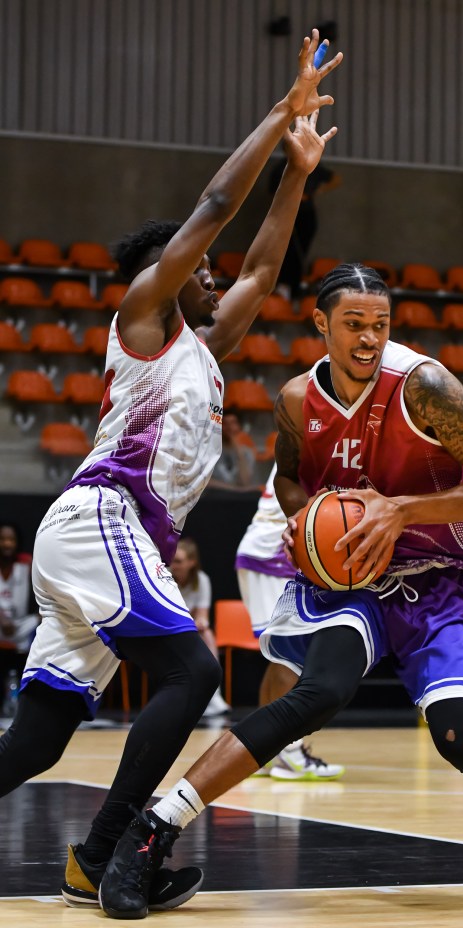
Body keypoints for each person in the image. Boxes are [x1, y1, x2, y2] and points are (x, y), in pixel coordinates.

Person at [100, 265, 463, 919]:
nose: (370, 338)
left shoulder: (424, 386)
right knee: (316, 695)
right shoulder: (297, 400)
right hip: (352, 584)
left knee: (462, 737)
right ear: (321, 324)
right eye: (354, 324)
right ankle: (153, 831)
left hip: (435, 580)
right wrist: (303, 520)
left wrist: (399, 510)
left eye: (380, 324)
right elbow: (290, 479)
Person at [0, 30, 342, 914]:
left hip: (114, 542)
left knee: (38, 739)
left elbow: (263, 266)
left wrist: (297, 174)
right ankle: (111, 855)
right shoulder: (145, 316)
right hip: (100, 520)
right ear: (168, 272)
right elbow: (217, 204)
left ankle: (92, 865)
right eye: (203, 271)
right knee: (193, 673)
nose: (216, 279)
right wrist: (281, 113)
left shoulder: (204, 347)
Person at [235, 463, 344, 779]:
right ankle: (290, 752)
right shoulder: (320, 445)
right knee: (292, 654)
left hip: (261, 553)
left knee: (279, 658)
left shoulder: (300, 442)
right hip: (273, 555)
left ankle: (263, 749)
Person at [269, 146, 341, 299]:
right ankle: (284, 284)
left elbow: (335, 179)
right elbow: (272, 193)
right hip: (287, 213)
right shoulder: (280, 169)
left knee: (301, 251)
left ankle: (294, 287)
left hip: (306, 214)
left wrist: (317, 190)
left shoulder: (310, 165)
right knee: (288, 251)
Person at [169, 538, 230, 717]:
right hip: (168, 630)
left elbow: (203, 617)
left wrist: (200, 623)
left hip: (188, 630)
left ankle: (214, 695)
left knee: (207, 635)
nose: (173, 565)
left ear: (192, 562)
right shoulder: (164, 577)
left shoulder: (202, 580)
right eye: (172, 561)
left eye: (178, 561)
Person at [0, 522, 39, 703]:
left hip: (20, 625)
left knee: (40, 623)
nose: (7, 543)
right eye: (2, 539)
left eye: (11, 539)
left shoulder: (26, 563)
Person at [204, 410, 258, 493]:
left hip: (238, 498)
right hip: (214, 496)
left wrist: (239, 453)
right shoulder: (209, 451)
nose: (229, 427)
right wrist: (234, 489)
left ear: (239, 426)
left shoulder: (247, 453)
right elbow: (205, 482)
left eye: (233, 423)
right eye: (225, 423)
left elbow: (245, 482)